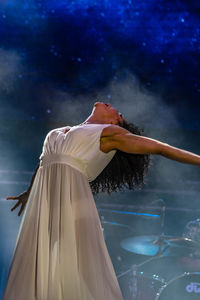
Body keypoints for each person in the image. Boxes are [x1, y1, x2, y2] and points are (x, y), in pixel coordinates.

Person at [3, 102, 200, 300]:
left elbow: (161, 148)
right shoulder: (60, 131)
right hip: (45, 200)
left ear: (116, 121)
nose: (111, 105)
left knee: (72, 260)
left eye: (117, 111)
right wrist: (29, 192)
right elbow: (44, 163)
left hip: (72, 199)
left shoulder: (109, 133)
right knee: (41, 259)